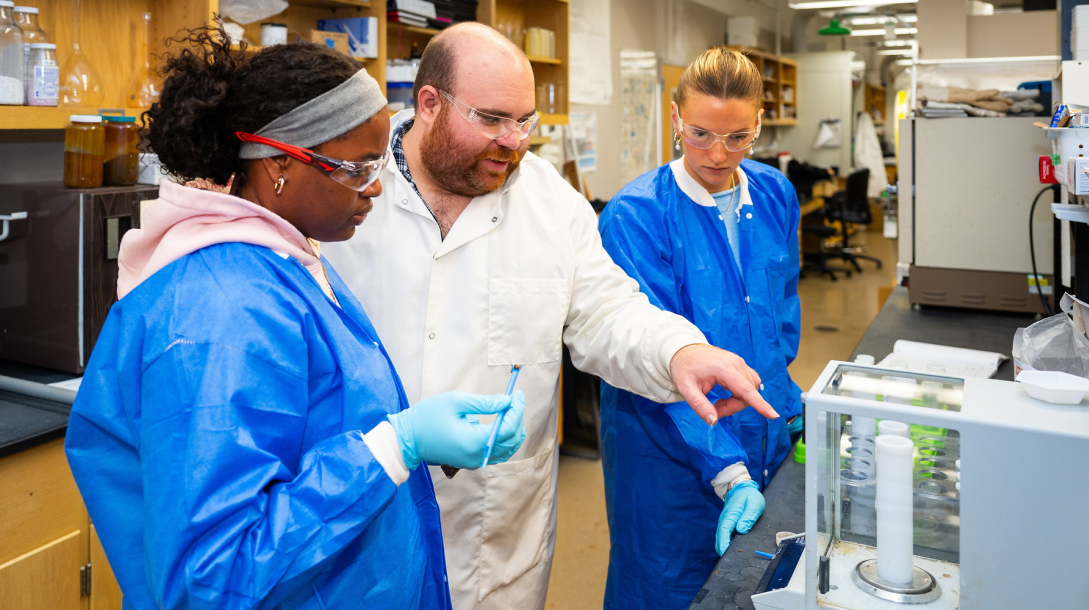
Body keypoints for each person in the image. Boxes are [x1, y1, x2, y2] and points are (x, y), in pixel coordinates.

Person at [63, 30, 526, 610]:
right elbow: (217, 575)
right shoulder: (225, 308)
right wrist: (392, 447)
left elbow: (305, 431)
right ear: (280, 162)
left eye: (377, 164)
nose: (375, 186)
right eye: (355, 168)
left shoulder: (285, 263)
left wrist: (414, 440)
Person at [322, 24, 778, 610]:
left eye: (525, 121)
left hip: (495, 533)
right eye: (491, 119)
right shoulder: (345, 194)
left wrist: (678, 351)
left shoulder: (548, 200)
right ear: (428, 103)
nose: (513, 142)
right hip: (361, 521)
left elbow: (608, 311)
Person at [595, 47, 802, 609]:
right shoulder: (637, 216)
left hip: (763, 435)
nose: (717, 153)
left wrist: (790, 411)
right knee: (665, 586)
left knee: (751, 589)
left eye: (738, 137)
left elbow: (781, 318)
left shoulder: (776, 195)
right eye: (700, 133)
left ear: (758, 123)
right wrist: (727, 469)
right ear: (675, 118)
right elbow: (652, 357)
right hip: (663, 453)